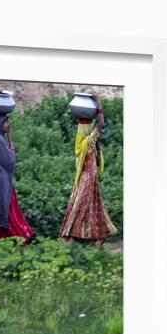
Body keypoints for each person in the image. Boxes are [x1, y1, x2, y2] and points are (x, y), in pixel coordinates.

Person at [59, 95, 117, 244]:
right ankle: (77, 235)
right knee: (84, 205)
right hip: (88, 178)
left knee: (88, 205)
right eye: (89, 127)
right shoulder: (88, 142)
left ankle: (87, 235)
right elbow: (101, 124)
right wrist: (98, 103)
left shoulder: (82, 144)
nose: (91, 129)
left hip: (88, 178)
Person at [0, 114, 34, 241]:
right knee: (9, 211)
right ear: (0, 124)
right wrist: (10, 140)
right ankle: (19, 236)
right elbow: (10, 160)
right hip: (1, 183)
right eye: (5, 123)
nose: (7, 125)